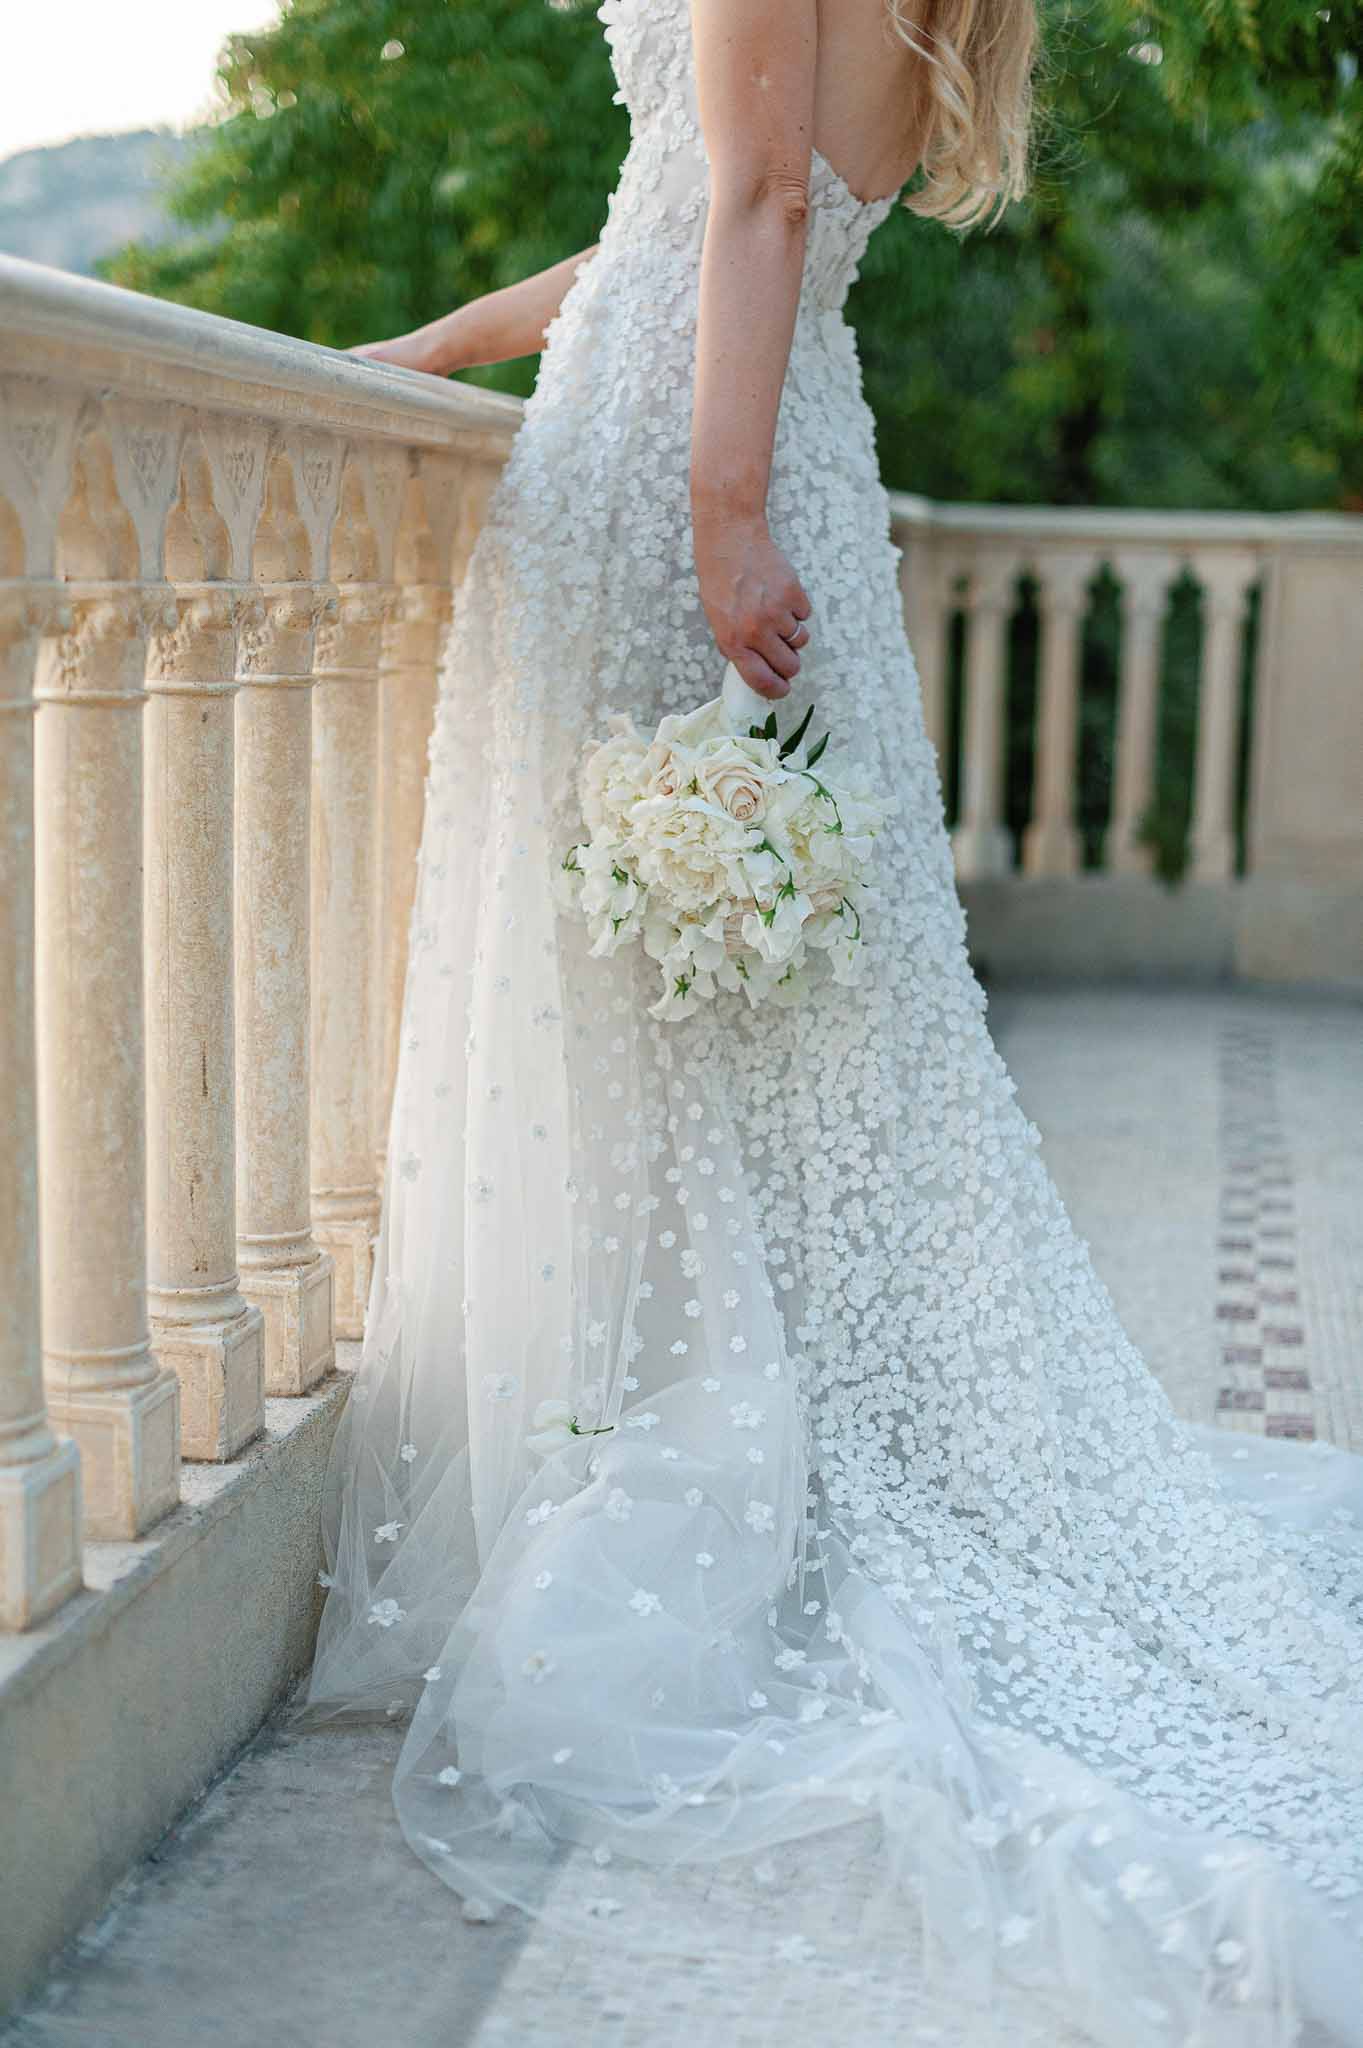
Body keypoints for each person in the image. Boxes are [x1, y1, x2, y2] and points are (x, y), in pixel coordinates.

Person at [299, 1, 1363, 2040]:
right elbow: (686, 217)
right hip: (757, 419)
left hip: (690, 466)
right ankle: (719, 1407)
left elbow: (758, 200)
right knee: (755, 1009)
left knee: (688, 982)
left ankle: (716, 1432)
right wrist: (446, 350)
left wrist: (713, 514)